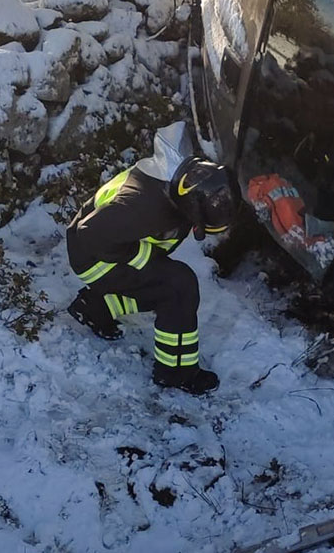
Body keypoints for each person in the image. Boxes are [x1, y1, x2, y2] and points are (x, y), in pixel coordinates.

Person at [66, 123, 240, 395]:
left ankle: (95, 308)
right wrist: (143, 257)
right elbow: (91, 234)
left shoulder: (182, 178)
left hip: (104, 244)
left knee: (160, 284)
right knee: (178, 287)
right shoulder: (143, 207)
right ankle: (176, 373)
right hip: (94, 257)